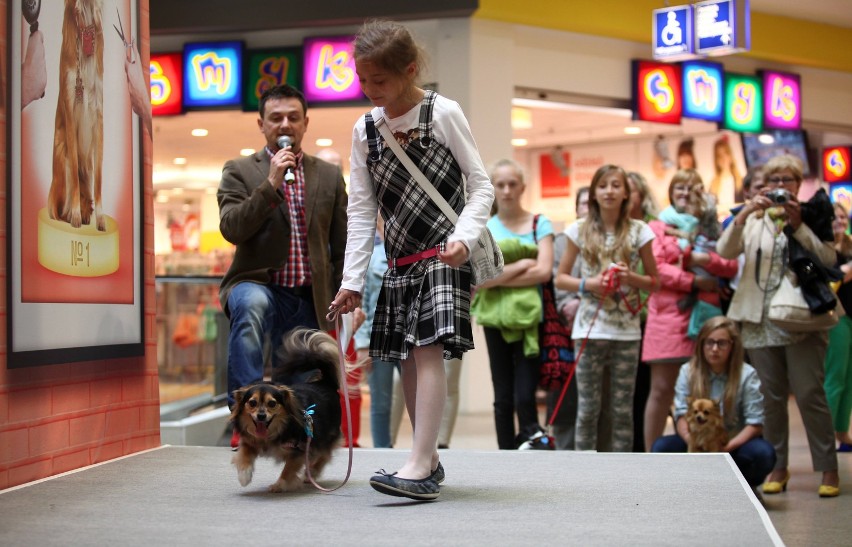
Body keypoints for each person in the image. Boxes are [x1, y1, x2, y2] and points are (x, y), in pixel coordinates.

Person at [331, 20, 494, 501]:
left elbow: (480, 184)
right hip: (398, 262)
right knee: (402, 357)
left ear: (410, 69)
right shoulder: (365, 130)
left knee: (426, 351)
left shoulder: (443, 112)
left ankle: (420, 462)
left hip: (444, 255)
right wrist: (352, 281)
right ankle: (427, 460)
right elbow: (361, 211)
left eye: (379, 81)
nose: (370, 91)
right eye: (363, 81)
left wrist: (464, 237)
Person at [218, 84, 348, 442]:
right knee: (251, 307)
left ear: (306, 123)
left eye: (293, 117)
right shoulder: (240, 171)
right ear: (262, 124)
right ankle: (242, 420)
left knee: (299, 386)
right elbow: (231, 228)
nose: (285, 125)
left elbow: (341, 244)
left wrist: (345, 293)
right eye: (276, 118)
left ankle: (301, 447)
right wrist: (271, 184)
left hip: (308, 297)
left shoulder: (329, 175)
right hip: (257, 285)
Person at [717, 154, 840, 497]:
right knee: (770, 398)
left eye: (788, 180)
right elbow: (725, 251)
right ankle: (778, 467)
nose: (781, 187)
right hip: (757, 319)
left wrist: (799, 226)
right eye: (775, 181)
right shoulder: (754, 217)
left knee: (810, 394)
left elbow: (830, 259)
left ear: (799, 185)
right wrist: (743, 214)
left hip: (802, 317)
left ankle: (828, 469)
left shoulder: (813, 214)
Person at [555, 164, 659, 452]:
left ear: (627, 192)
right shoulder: (577, 229)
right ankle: (585, 472)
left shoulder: (641, 230)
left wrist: (630, 278)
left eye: (616, 185)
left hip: (627, 333)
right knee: (588, 410)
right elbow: (561, 279)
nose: (609, 191)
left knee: (622, 411)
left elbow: (654, 282)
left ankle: (621, 474)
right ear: (594, 193)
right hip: (589, 330)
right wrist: (591, 284)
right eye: (603, 186)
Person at [642, 170, 738, 452]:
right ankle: (650, 454)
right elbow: (656, 268)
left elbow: (730, 265)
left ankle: (705, 451)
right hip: (667, 318)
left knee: (703, 392)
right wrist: (693, 275)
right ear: (670, 192)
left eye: (692, 188)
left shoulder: (713, 227)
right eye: (679, 188)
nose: (685, 193)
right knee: (661, 390)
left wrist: (703, 257)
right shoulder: (657, 227)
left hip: (705, 317)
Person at [471, 159, 554, 450]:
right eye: (500, 184)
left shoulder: (539, 223)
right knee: (503, 396)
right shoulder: (485, 227)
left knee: (525, 395)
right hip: (494, 318)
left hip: (531, 318)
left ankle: (531, 446)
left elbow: (544, 272)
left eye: (512, 184)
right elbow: (480, 279)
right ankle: (504, 452)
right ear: (492, 188)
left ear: (523, 187)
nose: (506, 190)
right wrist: (523, 266)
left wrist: (500, 274)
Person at [651, 317, 776, 490]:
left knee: (764, 455)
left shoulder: (747, 374)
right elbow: (680, 415)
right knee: (661, 448)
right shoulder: (687, 371)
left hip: (733, 444)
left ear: (732, 346)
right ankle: (689, 487)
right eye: (709, 343)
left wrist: (722, 449)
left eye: (721, 343)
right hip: (695, 443)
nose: (714, 349)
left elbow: (755, 424)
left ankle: (744, 487)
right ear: (701, 345)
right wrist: (694, 443)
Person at [548, 186, 590, 450]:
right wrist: (568, 305)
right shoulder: (561, 242)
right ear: (576, 208)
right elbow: (556, 280)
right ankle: (563, 449)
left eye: (591, 203)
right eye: (583, 203)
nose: (587, 207)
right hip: (563, 330)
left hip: (596, 325)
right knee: (565, 395)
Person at [627, 171, 659, 452]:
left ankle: (641, 448)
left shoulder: (653, 229)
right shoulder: (611, 229)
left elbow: (657, 276)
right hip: (622, 319)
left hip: (652, 318)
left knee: (643, 389)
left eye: (630, 190)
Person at [825, 203, 852, 452]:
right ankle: (828, 434)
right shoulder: (823, 249)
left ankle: (843, 432)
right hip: (836, 319)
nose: (839, 221)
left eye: (843, 216)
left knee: (849, 379)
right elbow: (828, 284)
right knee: (835, 378)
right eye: (834, 217)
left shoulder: (850, 246)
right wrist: (844, 273)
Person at [708, 135, 743, 205]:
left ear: (730, 155)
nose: (723, 159)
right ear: (716, 160)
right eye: (719, 156)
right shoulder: (713, 185)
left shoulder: (740, 181)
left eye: (725, 154)